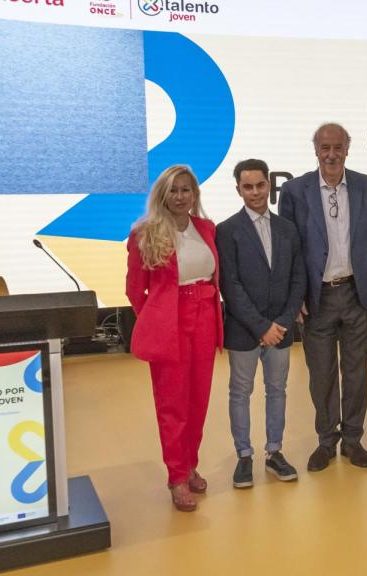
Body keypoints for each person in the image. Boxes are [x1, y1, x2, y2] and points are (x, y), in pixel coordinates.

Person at [278, 123, 367, 471]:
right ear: (315, 150)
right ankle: (326, 441)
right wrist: (296, 297)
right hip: (317, 299)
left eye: (337, 147)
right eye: (325, 147)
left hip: (358, 294)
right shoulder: (295, 191)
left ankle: (353, 440)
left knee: (356, 373)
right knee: (321, 374)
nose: (331, 153)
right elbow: (289, 251)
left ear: (347, 149)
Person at [126, 164, 222, 512]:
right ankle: (177, 476)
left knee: (198, 399)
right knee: (172, 404)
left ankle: (190, 463)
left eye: (187, 190)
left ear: (195, 193)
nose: (181, 196)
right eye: (174, 190)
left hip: (207, 314)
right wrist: (158, 320)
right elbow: (136, 291)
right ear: (162, 194)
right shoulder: (146, 232)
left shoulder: (206, 228)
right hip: (172, 320)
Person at [217, 159, 306, 487]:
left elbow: (299, 280)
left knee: (277, 391)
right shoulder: (226, 231)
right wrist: (260, 327)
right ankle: (243, 456)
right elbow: (231, 285)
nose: (255, 192)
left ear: (270, 185)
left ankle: (274, 453)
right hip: (245, 331)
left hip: (280, 331)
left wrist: (280, 323)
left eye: (260, 185)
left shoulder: (288, 229)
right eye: (247, 186)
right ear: (239, 189)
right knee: (240, 392)